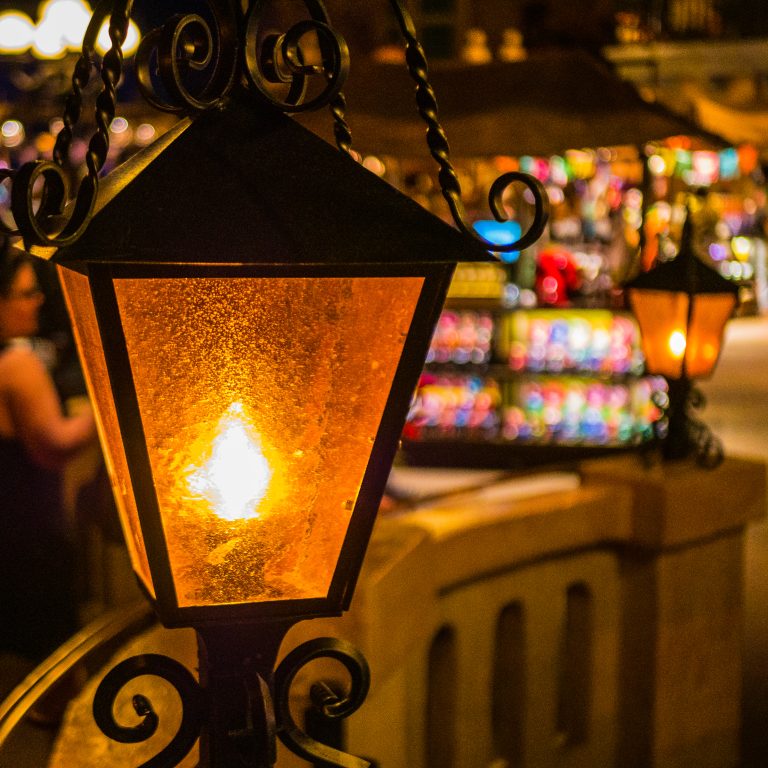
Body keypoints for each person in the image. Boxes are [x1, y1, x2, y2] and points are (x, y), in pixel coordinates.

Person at [0, 242, 97, 662]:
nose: (39, 299)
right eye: (26, 292)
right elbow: (53, 447)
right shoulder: (18, 365)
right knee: (51, 645)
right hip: (30, 526)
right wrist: (103, 407)